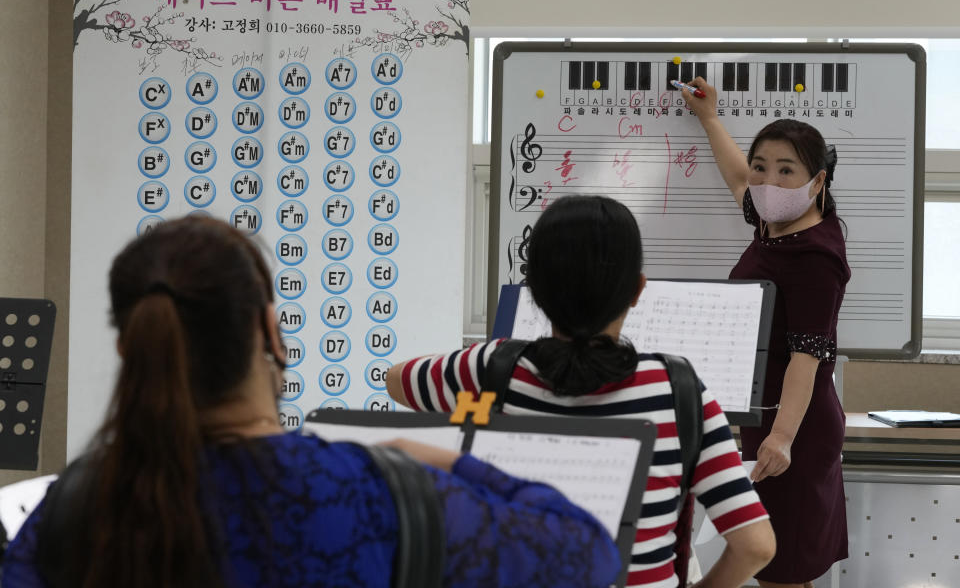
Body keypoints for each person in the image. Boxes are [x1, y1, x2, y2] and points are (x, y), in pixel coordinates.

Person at [1, 216, 621, 588]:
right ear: (270, 333)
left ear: (128, 350)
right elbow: (589, 555)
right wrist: (435, 459)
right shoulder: (381, 494)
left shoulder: (76, 509)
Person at [387, 195, 776, 588]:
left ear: (534, 291)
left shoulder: (489, 369)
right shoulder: (678, 391)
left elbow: (396, 379)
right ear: (638, 290)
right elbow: (755, 545)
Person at [681, 78, 850, 588]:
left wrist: (781, 439)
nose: (768, 182)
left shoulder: (816, 255)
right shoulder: (776, 223)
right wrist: (710, 118)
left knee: (783, 567)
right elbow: (739, 180)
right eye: (763, 167)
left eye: (786, 171)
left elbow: (808, 356)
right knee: (778, 565)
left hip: (796, 426)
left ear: (816, 182)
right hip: (769, 416)